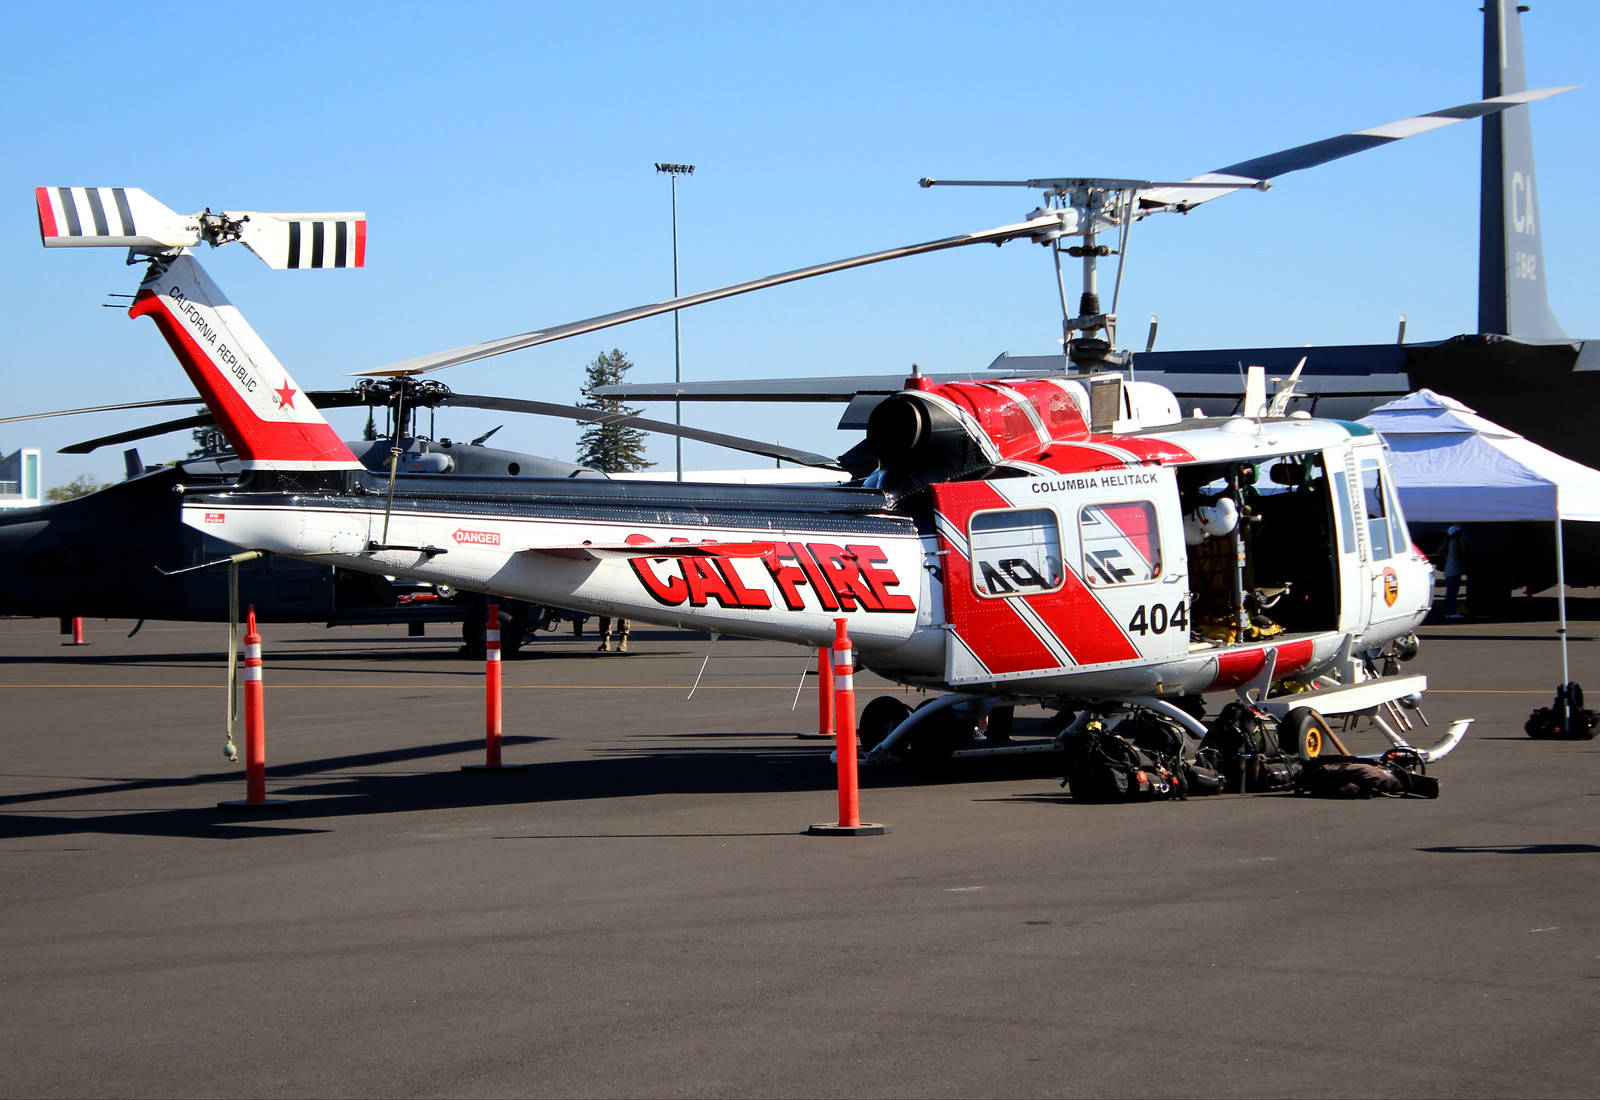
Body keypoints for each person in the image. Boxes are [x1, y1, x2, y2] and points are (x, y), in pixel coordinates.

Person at [1442, 526, 1467, 619]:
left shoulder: (1448, 543)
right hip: (1454, 570)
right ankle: (1451, 611)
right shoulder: (1455, 543)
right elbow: (1456, 556)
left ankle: (1448, 610)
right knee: (1453, 592)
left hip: (1449, 570)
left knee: (1449, 592)